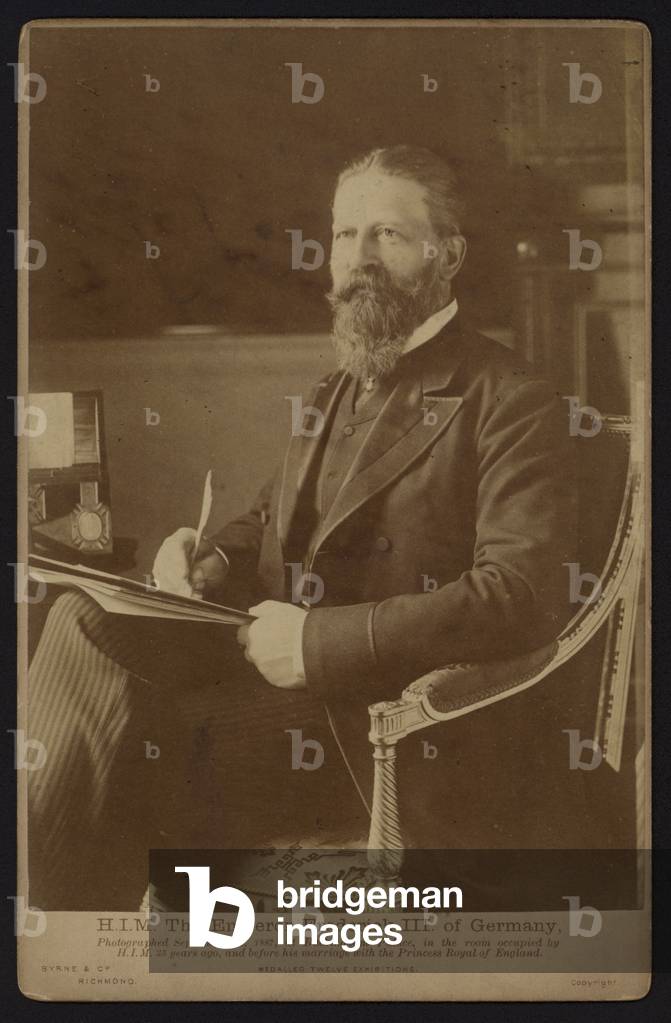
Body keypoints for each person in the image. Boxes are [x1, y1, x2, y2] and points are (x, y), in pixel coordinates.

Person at [27, 146, 586, 911]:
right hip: (281, 675)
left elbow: (519, 596)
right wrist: (214, 558)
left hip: (386, 721)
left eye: (385, 235)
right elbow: (269, 517)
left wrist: (315, 645)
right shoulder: (334, 388)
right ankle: (45, 905)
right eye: (343, 235)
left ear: (446, 253)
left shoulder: (510, 396)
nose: (356, 259)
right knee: (81, 616)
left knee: (130, 734)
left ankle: (48, 925)